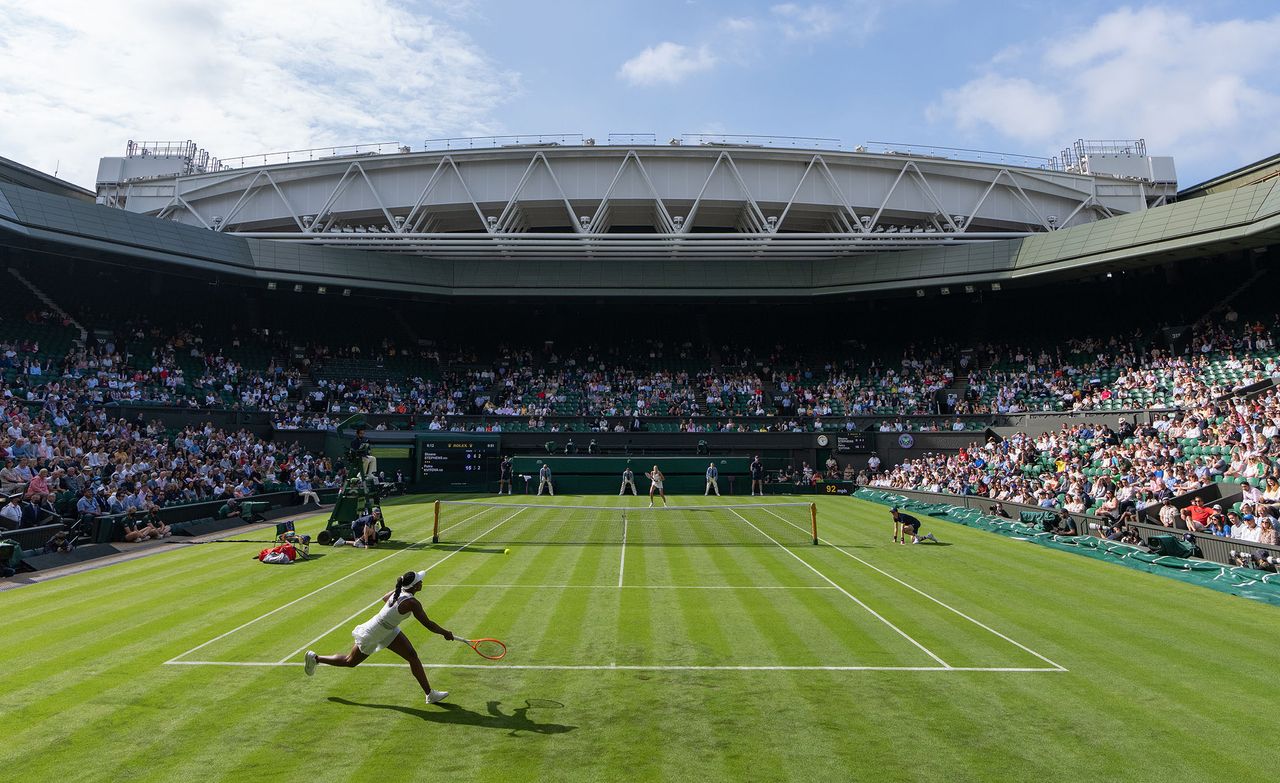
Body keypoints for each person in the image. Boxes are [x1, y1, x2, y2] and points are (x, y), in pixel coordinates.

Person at [306, 570, 454, 705]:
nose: (422, 582)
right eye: (420, 581)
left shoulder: (401, 592)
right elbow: (428, 624)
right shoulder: (412, 602)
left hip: (388, 630)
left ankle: (430, 694)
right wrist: (445, 633)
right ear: (415, 586)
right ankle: (316, 659)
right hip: (373, 632)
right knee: (350, 662)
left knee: (412, 656)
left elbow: (385, 598)